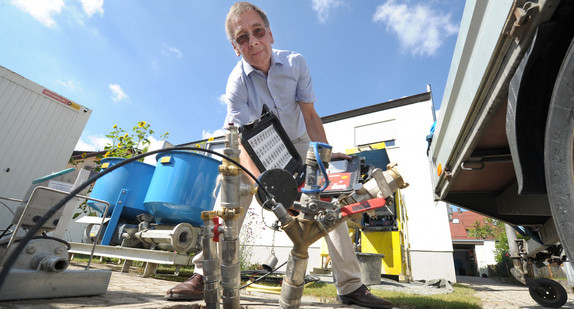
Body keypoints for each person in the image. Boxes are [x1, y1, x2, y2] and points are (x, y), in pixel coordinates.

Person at [166, 2, 392, 308]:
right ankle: (204, 273)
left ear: (270, 33)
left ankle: (350, 286)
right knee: (231, 193)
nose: (253, 41)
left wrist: (322, 157)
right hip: (258, 146)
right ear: (236, 48)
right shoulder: (236, 84)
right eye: (242, 37)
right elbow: (243, 143)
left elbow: (310, 116)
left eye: (257, 31)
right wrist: (259, 183)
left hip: (298, 142)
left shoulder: (296, 63)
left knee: (326, 198)